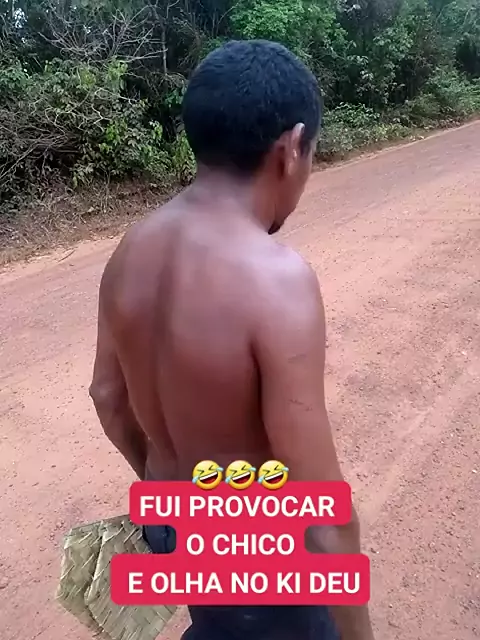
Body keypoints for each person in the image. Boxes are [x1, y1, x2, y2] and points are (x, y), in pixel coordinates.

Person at [89, 39, 374, 640]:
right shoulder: (276, 278)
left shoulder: (129, 251)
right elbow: (326, 517)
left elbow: (108, 398)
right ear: (292, 147)